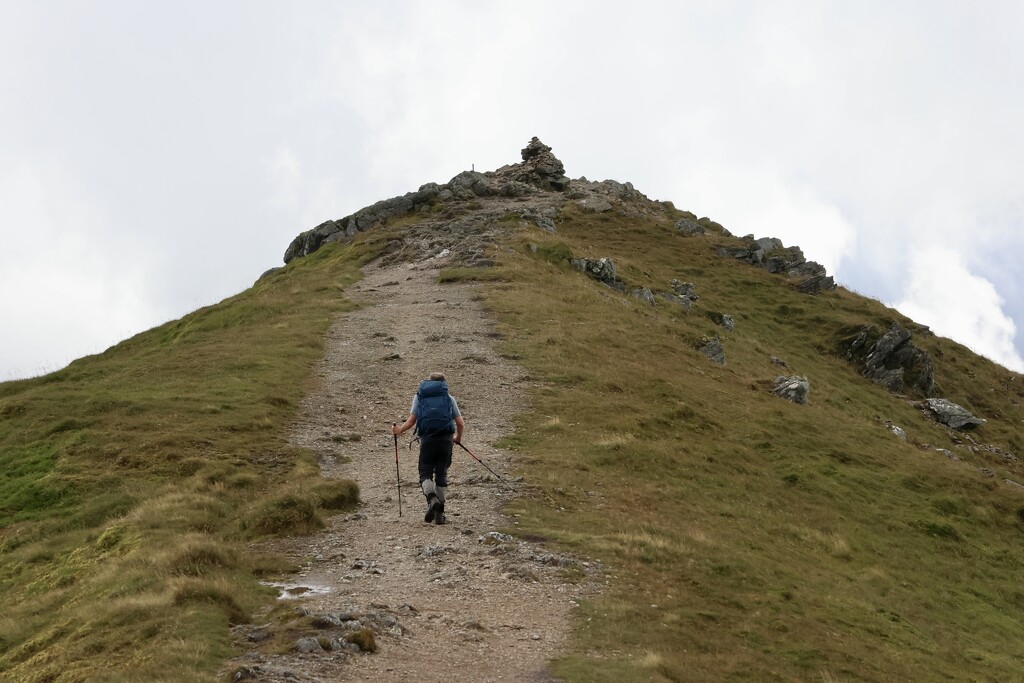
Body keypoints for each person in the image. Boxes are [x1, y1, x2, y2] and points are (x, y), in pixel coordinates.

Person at [392, 372, 464, 525]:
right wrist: (457, 438)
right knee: (441, 474)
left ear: (429, 383)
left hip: (427, 441)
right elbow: (460, 423)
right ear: (443, 384)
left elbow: (411, 421)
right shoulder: (449, 398)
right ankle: (439, 514)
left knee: (425, 472)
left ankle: (431, 499)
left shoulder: (420, 397)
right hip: (446, 441)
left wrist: (400, 430)